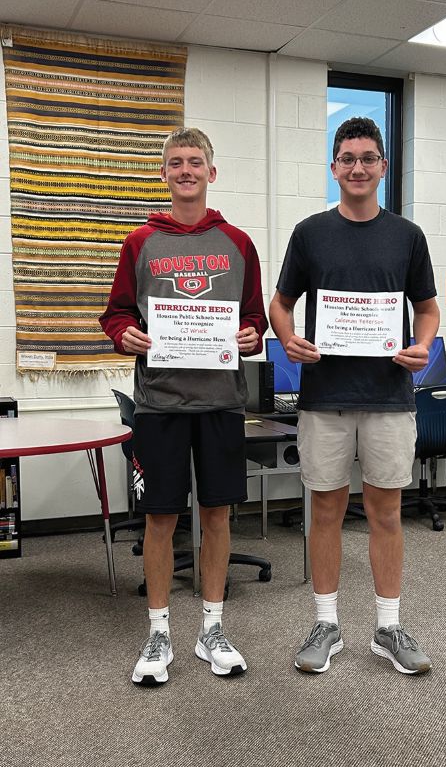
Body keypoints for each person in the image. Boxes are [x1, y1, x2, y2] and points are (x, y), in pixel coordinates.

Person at [269, 117, 440, 675]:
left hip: (390, 396)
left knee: (386, 511)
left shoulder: (407, 236)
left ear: (383, 167)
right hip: (325, 398)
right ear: (334, 167)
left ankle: (388, 628)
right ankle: (326, 622)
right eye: (348, 158)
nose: (358, 167)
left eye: (369, 157)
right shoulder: (310, 232)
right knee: (325, 509)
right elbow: (281, 302)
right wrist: (287, 339)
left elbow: (428, 308)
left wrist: (423, 345)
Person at [100, 127, 268, 685]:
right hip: (159, 404)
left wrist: (250, 334)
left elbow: (254, 317)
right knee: (160, 518)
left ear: (211, 173)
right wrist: (125, 334)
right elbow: (117, 313)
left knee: (218, 515)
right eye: (176, 162)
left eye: (196, 162)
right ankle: (158, 631)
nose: (186, 170)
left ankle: (212, 628)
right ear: (165, 173)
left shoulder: (238, 243)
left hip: (221, 402)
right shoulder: (140, 241)